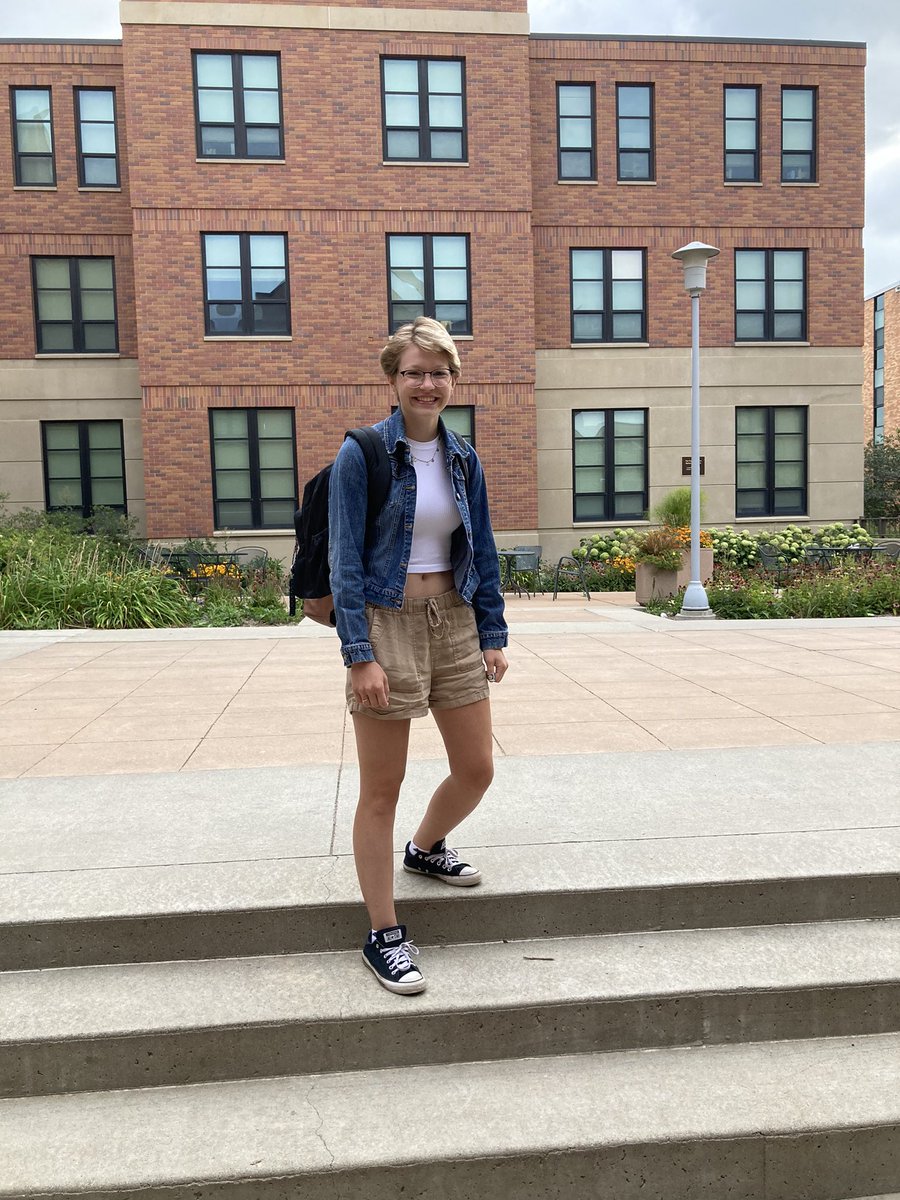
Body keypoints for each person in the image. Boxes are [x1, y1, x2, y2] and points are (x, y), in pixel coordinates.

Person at [328, 316, 509, 994]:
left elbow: (482, 547)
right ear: (393, 378)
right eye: (413, 372)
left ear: (453, 379)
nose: (426, 384)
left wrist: (492, 631)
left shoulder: (463, 457)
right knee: (382, 788)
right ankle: (383, 933)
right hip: (387, 621)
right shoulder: (364, 452)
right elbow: (345, 559)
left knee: (477, 767)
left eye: (438, 372)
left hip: (454, 617)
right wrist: (359, 653)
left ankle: (425, 848)